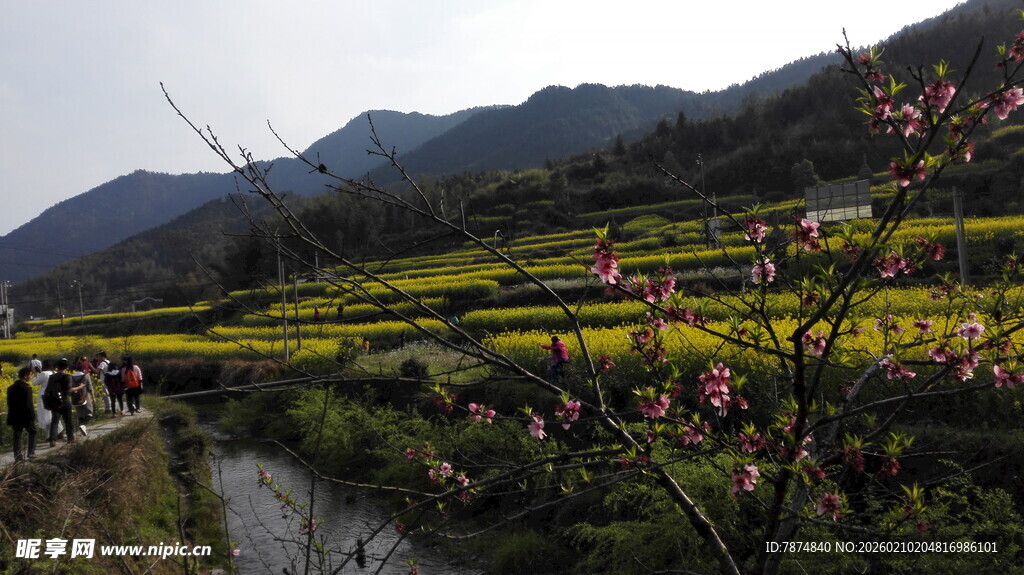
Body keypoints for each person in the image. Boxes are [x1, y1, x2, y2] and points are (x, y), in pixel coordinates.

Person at [46, 358, 83, 446]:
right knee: (68, 420)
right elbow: (68, 389)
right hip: (65, 400)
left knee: (55, 421)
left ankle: (52, 440)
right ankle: (70, 438)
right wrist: (79, 388)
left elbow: (48, 389)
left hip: (55, 401)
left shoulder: (52, 377)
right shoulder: (67, 376)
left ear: (58, 367)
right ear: (66, 367)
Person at [7, 367, 37, 461]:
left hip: (14, 415)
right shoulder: (26, 388)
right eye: (30, 375)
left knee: (17, 435)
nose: (31, 377)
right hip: (26, 415)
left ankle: (18, 456)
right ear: (25, 376)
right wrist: (32, 415)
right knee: (33, 431)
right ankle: (31, 452)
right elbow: (29, 404)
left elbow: (9, 403)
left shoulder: (10, 388)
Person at [34, 359, 60, 439]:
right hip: (54, 394)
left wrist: (36, 375)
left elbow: (35, 382)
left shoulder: (44, 373)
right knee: (54, 414)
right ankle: (59, 432)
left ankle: (49, 435)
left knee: (46, 415)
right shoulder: (54, 372)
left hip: (44, 394)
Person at [71, 369, 94, 437]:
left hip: (75, 399)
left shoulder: (71, 377)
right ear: (83, 369)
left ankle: (82, 427)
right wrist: (93, 397)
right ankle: (83, 425)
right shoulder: (86, 376)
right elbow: (90, 388)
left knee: (80, 414)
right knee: (89, 413)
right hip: (85, 397)